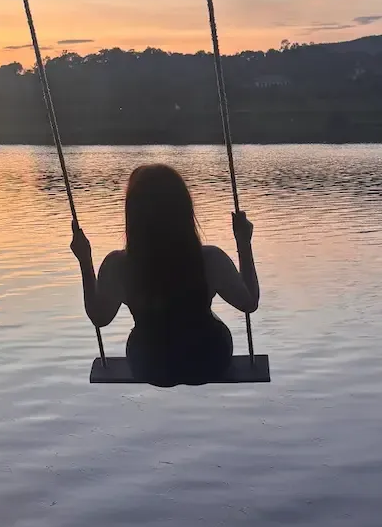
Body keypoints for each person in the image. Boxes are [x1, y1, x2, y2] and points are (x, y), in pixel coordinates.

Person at [70, 163, 259, 387]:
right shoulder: (210, 259)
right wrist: (244, 244)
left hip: (150, 366)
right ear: (185, 210)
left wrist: (85, 260)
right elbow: (249, 303)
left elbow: (100, 318)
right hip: (209, 360)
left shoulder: (118, 265)